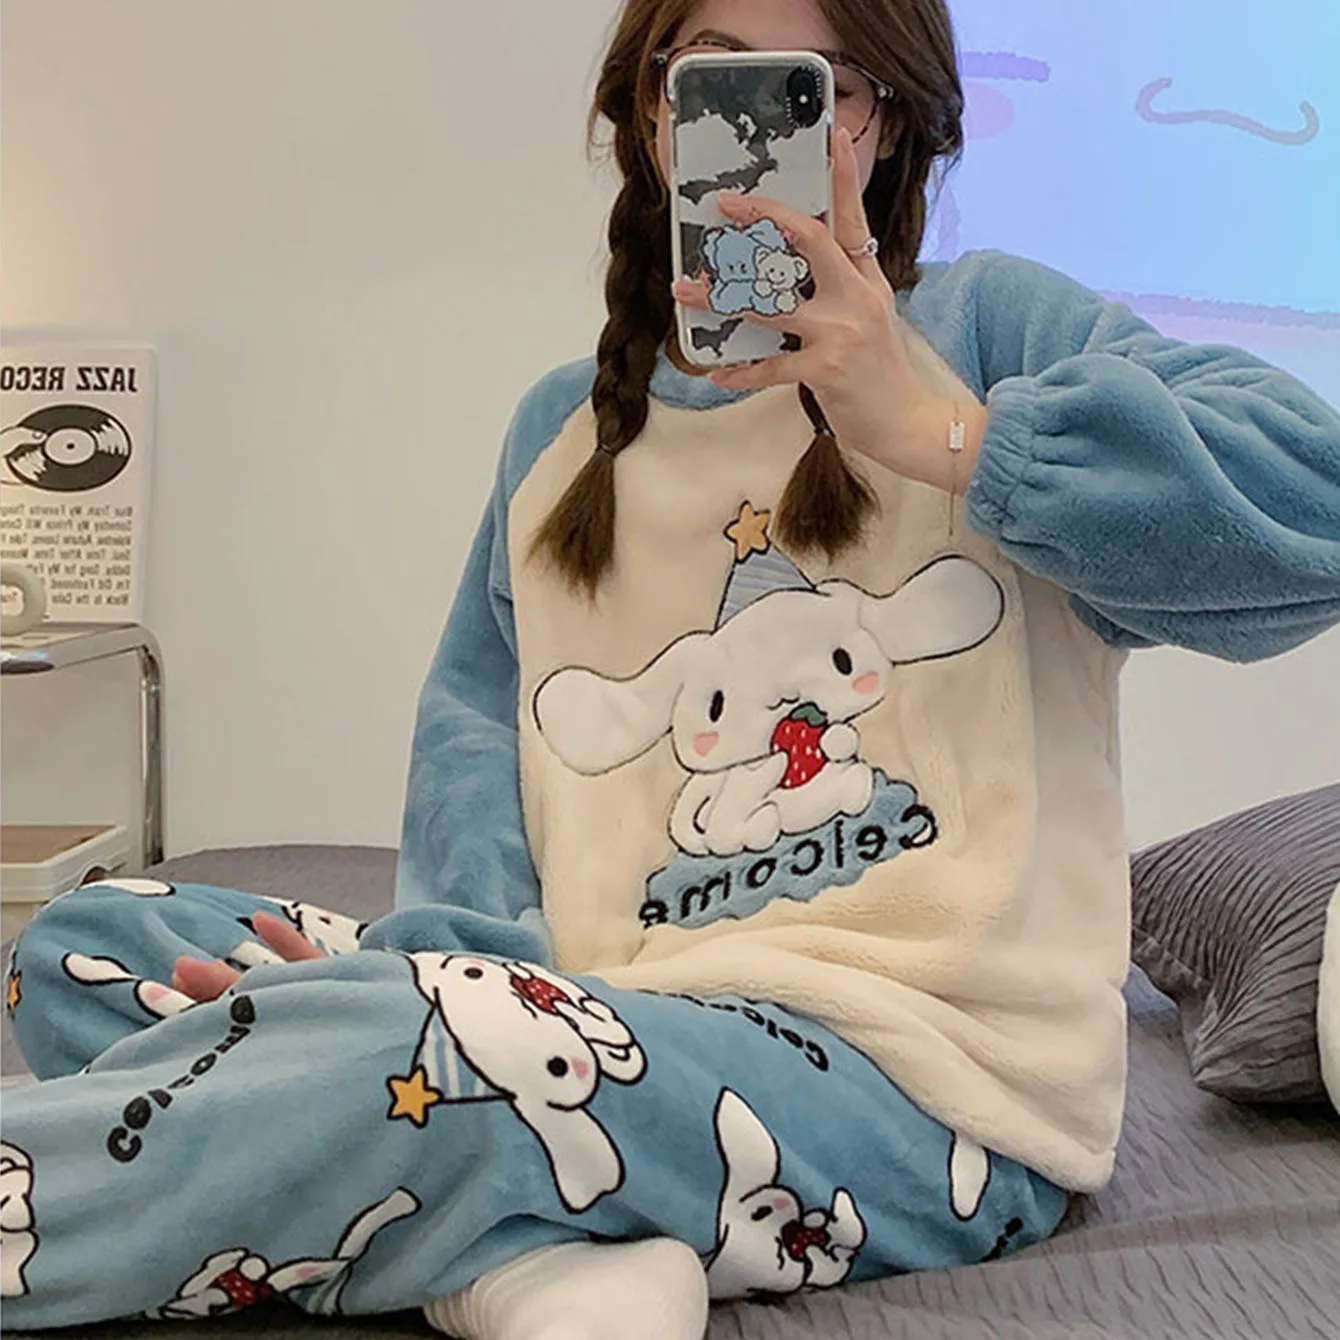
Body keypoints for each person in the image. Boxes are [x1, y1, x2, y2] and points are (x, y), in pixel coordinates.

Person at [4, 0, 1339, 1335]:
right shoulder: (564, 428)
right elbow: (477, 752)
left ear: (884, 124)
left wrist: (944, 430)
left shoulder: (989, 336)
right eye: (709, 77)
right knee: (87, 943)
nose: (754, 131)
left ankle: (452, 1171)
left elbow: (1314, 512)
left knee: (421, 1051)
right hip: (600, 1009)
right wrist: (430, 971)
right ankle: (518, 1244)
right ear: (654, 116)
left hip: (924, 1083)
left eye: (813, 86)